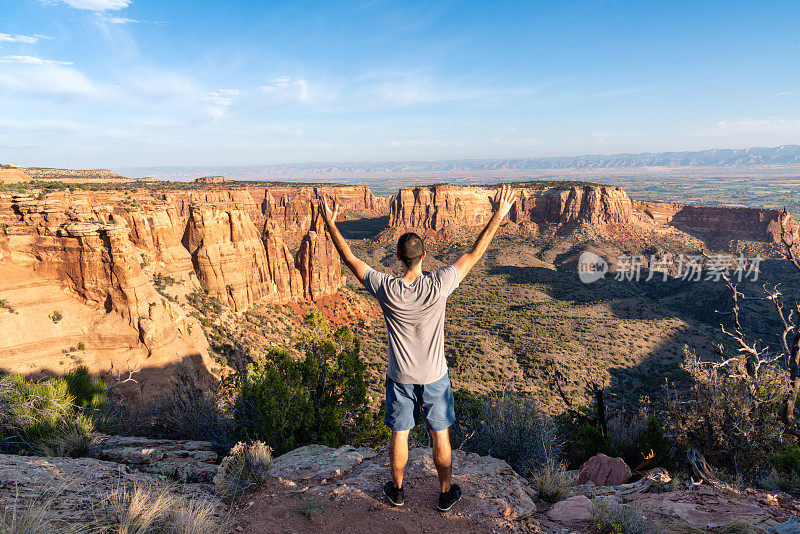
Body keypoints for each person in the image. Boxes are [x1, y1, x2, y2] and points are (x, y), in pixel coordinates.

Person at [318, 184, 517, 512]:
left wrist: (330, 223)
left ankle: (396, 491)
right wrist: (498, 215)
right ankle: (445, 492)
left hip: (400, 377)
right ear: (423, 255)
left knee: (400, 434)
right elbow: (474, 253)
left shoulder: (386, 288)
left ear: (397, 258)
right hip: (435, 376)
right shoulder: (439, 284)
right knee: (440, 434)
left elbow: (350, 258)